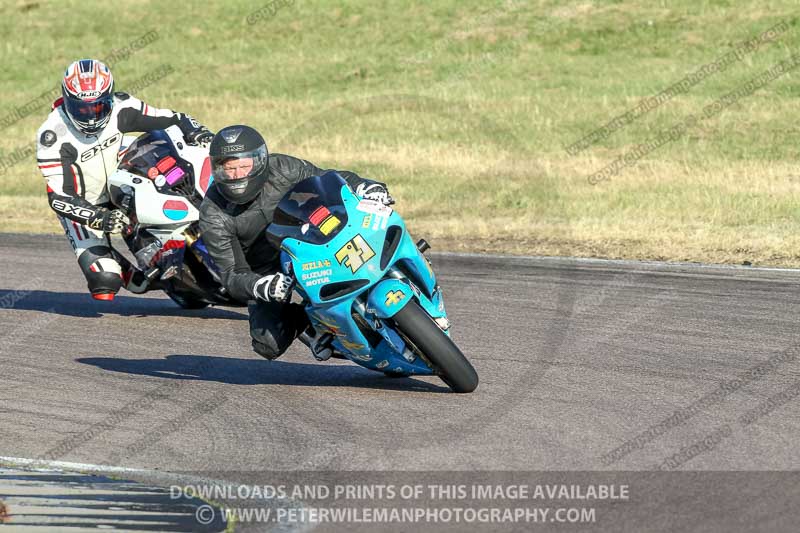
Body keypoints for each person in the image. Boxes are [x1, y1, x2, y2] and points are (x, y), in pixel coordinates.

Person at [198, 125, 393, 361]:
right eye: (230, 168)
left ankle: (401, 265)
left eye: (244, 166)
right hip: (268, 271)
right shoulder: (212, 212)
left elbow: (327, 179)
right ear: (218, 169)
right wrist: (259, 285)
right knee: (268, 344)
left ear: (260, 162)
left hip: (308, 238)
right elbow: (231, 274)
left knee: (376, 221)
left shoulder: (282, 168)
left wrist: (365, 186)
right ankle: (317, 323)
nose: (238, 174)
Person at [36, 58, 213, 300]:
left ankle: (195, 220)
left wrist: (199, 132)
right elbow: (59, 198)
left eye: (98, 107)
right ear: (67, 100)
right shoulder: (52, 136)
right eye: (82, 109)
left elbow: (175, 119)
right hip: (85, 205)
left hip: (124, 181)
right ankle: (150, 276)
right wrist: (99, 217)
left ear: (109, 97)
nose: (91, 117)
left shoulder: (122, 106)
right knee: (106, 281)